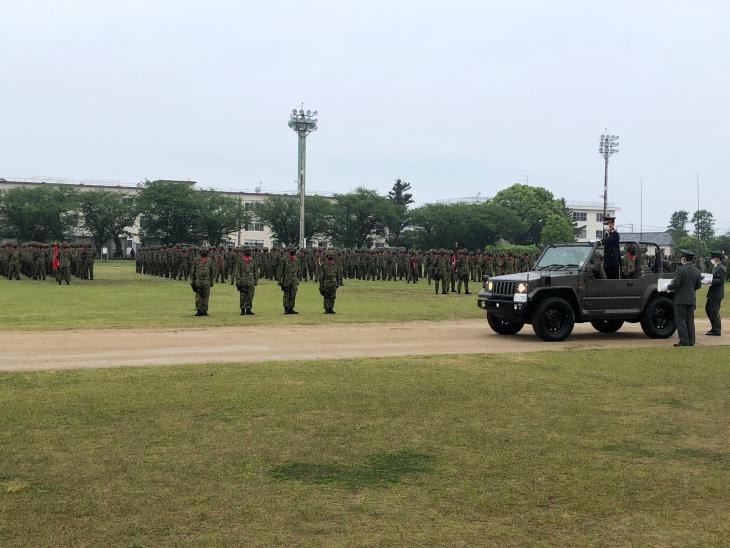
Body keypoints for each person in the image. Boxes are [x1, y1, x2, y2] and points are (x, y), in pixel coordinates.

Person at [666, 249, 702, 347]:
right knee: (690, 321)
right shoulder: (696, 270)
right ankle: (691, 341)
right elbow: (698, 285)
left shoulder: (680, 269)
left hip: (680, 299)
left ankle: (684, 341)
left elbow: (676, 283)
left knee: (680, 320)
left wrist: (668, 287)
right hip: (691, 298)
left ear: (684, 258)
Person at [705, 250, 725, 336]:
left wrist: (710, 280)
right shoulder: (716, 266)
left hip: (716, 293)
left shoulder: (720, 268)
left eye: (712, 258)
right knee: (708, 309)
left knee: (714, 311)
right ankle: (714, 328)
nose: (711, 259)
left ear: (717, 258)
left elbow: (720, 280)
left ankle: (717, 330)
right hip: (712, 292)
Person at [190, 246, 215, 316]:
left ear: (208, 252)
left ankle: (204, 310)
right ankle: (198, 310)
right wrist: (193, 281)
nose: (204, 252)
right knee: (198, 296)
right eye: (202, 251)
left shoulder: (210, 260)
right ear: (200, 252)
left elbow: (212, 272)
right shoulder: (196, 260)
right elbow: (193, 271)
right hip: (198, 281)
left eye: (206, 251)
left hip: (207, 281)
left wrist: (211, 281)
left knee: (206, 296)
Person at [234, 246, 257, 315]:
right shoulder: (240, 261)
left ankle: (249, 309)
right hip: (242, 280)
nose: (249, 252)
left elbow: (255, 271)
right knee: (242, 296)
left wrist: (256, 280)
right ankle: (242, 309)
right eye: (247, 251)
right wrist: (238, 281)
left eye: (250, 251)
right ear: (244, 252)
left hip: (251, 281)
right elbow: (237, 271)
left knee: (250, 295)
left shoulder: (253, 260)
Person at [278, 245, 300, 314]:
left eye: (294, 250)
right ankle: (286, 308)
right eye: (291, 250)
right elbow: (280, 271)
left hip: (294, 279)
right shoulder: (284, 260)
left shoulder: (297, 260)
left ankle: (291, 308)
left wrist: (298, 280)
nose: (293, 252)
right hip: (287, 279)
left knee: (293, 294)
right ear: (288, 251)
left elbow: (299, 270)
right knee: (286, 294)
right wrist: (280, 281)